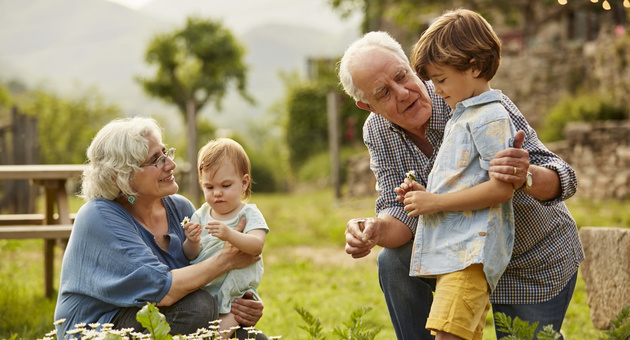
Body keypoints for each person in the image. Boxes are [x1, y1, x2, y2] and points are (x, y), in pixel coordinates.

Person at [338, 29, 584, 339]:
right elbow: (398, 210)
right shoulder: (377, 131)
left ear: (411, 66)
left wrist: (525, 175)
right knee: (394, 260)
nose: (402, 93)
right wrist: (374, 229)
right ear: (368, 106)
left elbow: (563, 176)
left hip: (528, 256)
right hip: (458, 256)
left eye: (402, 77)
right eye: (383, 93)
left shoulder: (475, 100)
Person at [54, 117, 267, 340]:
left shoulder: (180, 207)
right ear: (123, 176)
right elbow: (163, 291)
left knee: (253, 337)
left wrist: (241, 304)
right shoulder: (98, 216)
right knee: (198, 307)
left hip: (165, 315)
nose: (171, 164)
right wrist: (228, 259)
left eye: (166, 153)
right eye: (156, 160)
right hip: (103, 328)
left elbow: (202, 271)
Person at [399, 9, 518, 340]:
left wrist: (435, 202)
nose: (436, 90)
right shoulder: (464, 115)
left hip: (470, 255)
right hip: (455, 252)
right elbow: (467, 181)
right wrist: (423, 194)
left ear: (474, 67)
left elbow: (501, 190)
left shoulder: (490, 117)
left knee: (447, 336)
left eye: (441, 79)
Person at [182, 138, 269, 339]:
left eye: (226, 185)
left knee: (217, 335)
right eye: (209, 187)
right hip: (206, 289)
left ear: (244, 182)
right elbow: (189, 256)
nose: (217, 193)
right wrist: (192, 241)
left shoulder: (248, 214)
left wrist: (230, 234)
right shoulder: (200, 215)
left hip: (235, 296)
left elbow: (256, 246)